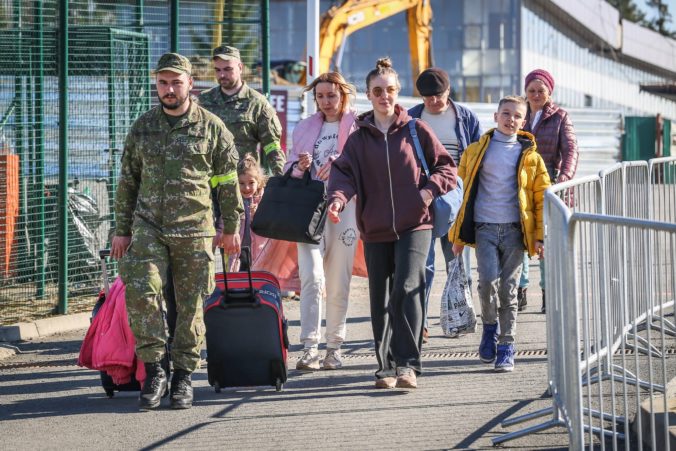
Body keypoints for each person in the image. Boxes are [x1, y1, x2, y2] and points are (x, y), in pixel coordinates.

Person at [111, 53, 242, 411]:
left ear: (190, 85)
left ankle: (184, 376)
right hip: (148, 226)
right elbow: (127, 182)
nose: (169, 89)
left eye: (176, 82)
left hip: (195, 230)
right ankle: (155, 370)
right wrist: (120, 230)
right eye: (163, 83)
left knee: (191, 305)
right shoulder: (143, 126)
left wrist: (231, 227)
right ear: (157, 85)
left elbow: (227, 183)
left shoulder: (212, 127)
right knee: (141, 293)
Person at [327, 58, 456, 389]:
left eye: (390, 90)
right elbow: (343, 174)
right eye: (378, 91)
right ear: (369, 96)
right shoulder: (358, 139)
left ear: (398, 93)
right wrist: (339, 199)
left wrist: (427, 193)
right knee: (380, 296)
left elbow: (447, 168)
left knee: (406, 288)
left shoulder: (416, 129)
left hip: (416, 224)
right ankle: (385, 368)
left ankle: (408, 365)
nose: (385, 96)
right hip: (375, 226)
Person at [449, 96, 551, 372]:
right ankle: (489, 329)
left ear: (524, 121)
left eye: (517, 116)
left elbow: (541, 198)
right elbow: (462, 193)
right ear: (495, 117)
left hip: (517, 232)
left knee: (509, 290)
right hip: (484, 228)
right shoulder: (475, 151)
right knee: (486, 285)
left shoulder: (531, 157)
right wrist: (457, 236)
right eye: (506, 114)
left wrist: (541, 236)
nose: (511, 120)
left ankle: (507, 345)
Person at [284, 72, 360, 372]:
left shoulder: (357, 126)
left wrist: (342, 161)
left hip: (346, 211)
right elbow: (289, 168)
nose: (326, 102)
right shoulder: (304, 127)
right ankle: (309, 348)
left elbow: (365, 166)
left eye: (331, 95)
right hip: (309, 211)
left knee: (339, 282)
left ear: (343, 95)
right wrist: (300, 167)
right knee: (311, 279)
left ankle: (334, 348)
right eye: (320, 96)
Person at [408, 67, 482, 343]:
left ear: (448, 92)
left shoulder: (465, 117)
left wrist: (475, 198)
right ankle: (421, 323)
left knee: (456, 260)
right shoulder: (412, 117)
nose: (433, 102)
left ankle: (460, 316)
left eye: (437, 96)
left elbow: (478, 156)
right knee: (422, 264)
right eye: (427, 98)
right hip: (423, 199)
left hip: (457, 198)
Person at [518, 69, 578, 313]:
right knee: (520, 238)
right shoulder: (519, 114)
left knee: (546, 241)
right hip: (520, 185)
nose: (535, 94)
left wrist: (562, 180)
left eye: (540, 90)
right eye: (531, 90)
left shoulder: (560, 116)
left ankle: (547, 293)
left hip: (550, 185)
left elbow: (571, 150)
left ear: (549, 92)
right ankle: (519, 291)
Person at [198, 45, 285, 176]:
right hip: (210, 182)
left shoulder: (257, 103)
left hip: (243, 184)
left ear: (240, 67)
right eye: (218, 70)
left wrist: (282, 181)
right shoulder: (204, 100)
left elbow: (272, 147)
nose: (222, 75)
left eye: (228, 69)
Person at [227, 155, 267, 271]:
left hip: (258, 251)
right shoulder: (233, 199)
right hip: (237, 251)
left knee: (255, 278)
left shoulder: (262, 199)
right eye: (242, 183)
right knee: (237, 278)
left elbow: (267, 226)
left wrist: (257, 215)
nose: (247, 187)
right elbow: (225, 219)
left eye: (251, 183)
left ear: (258, 182)